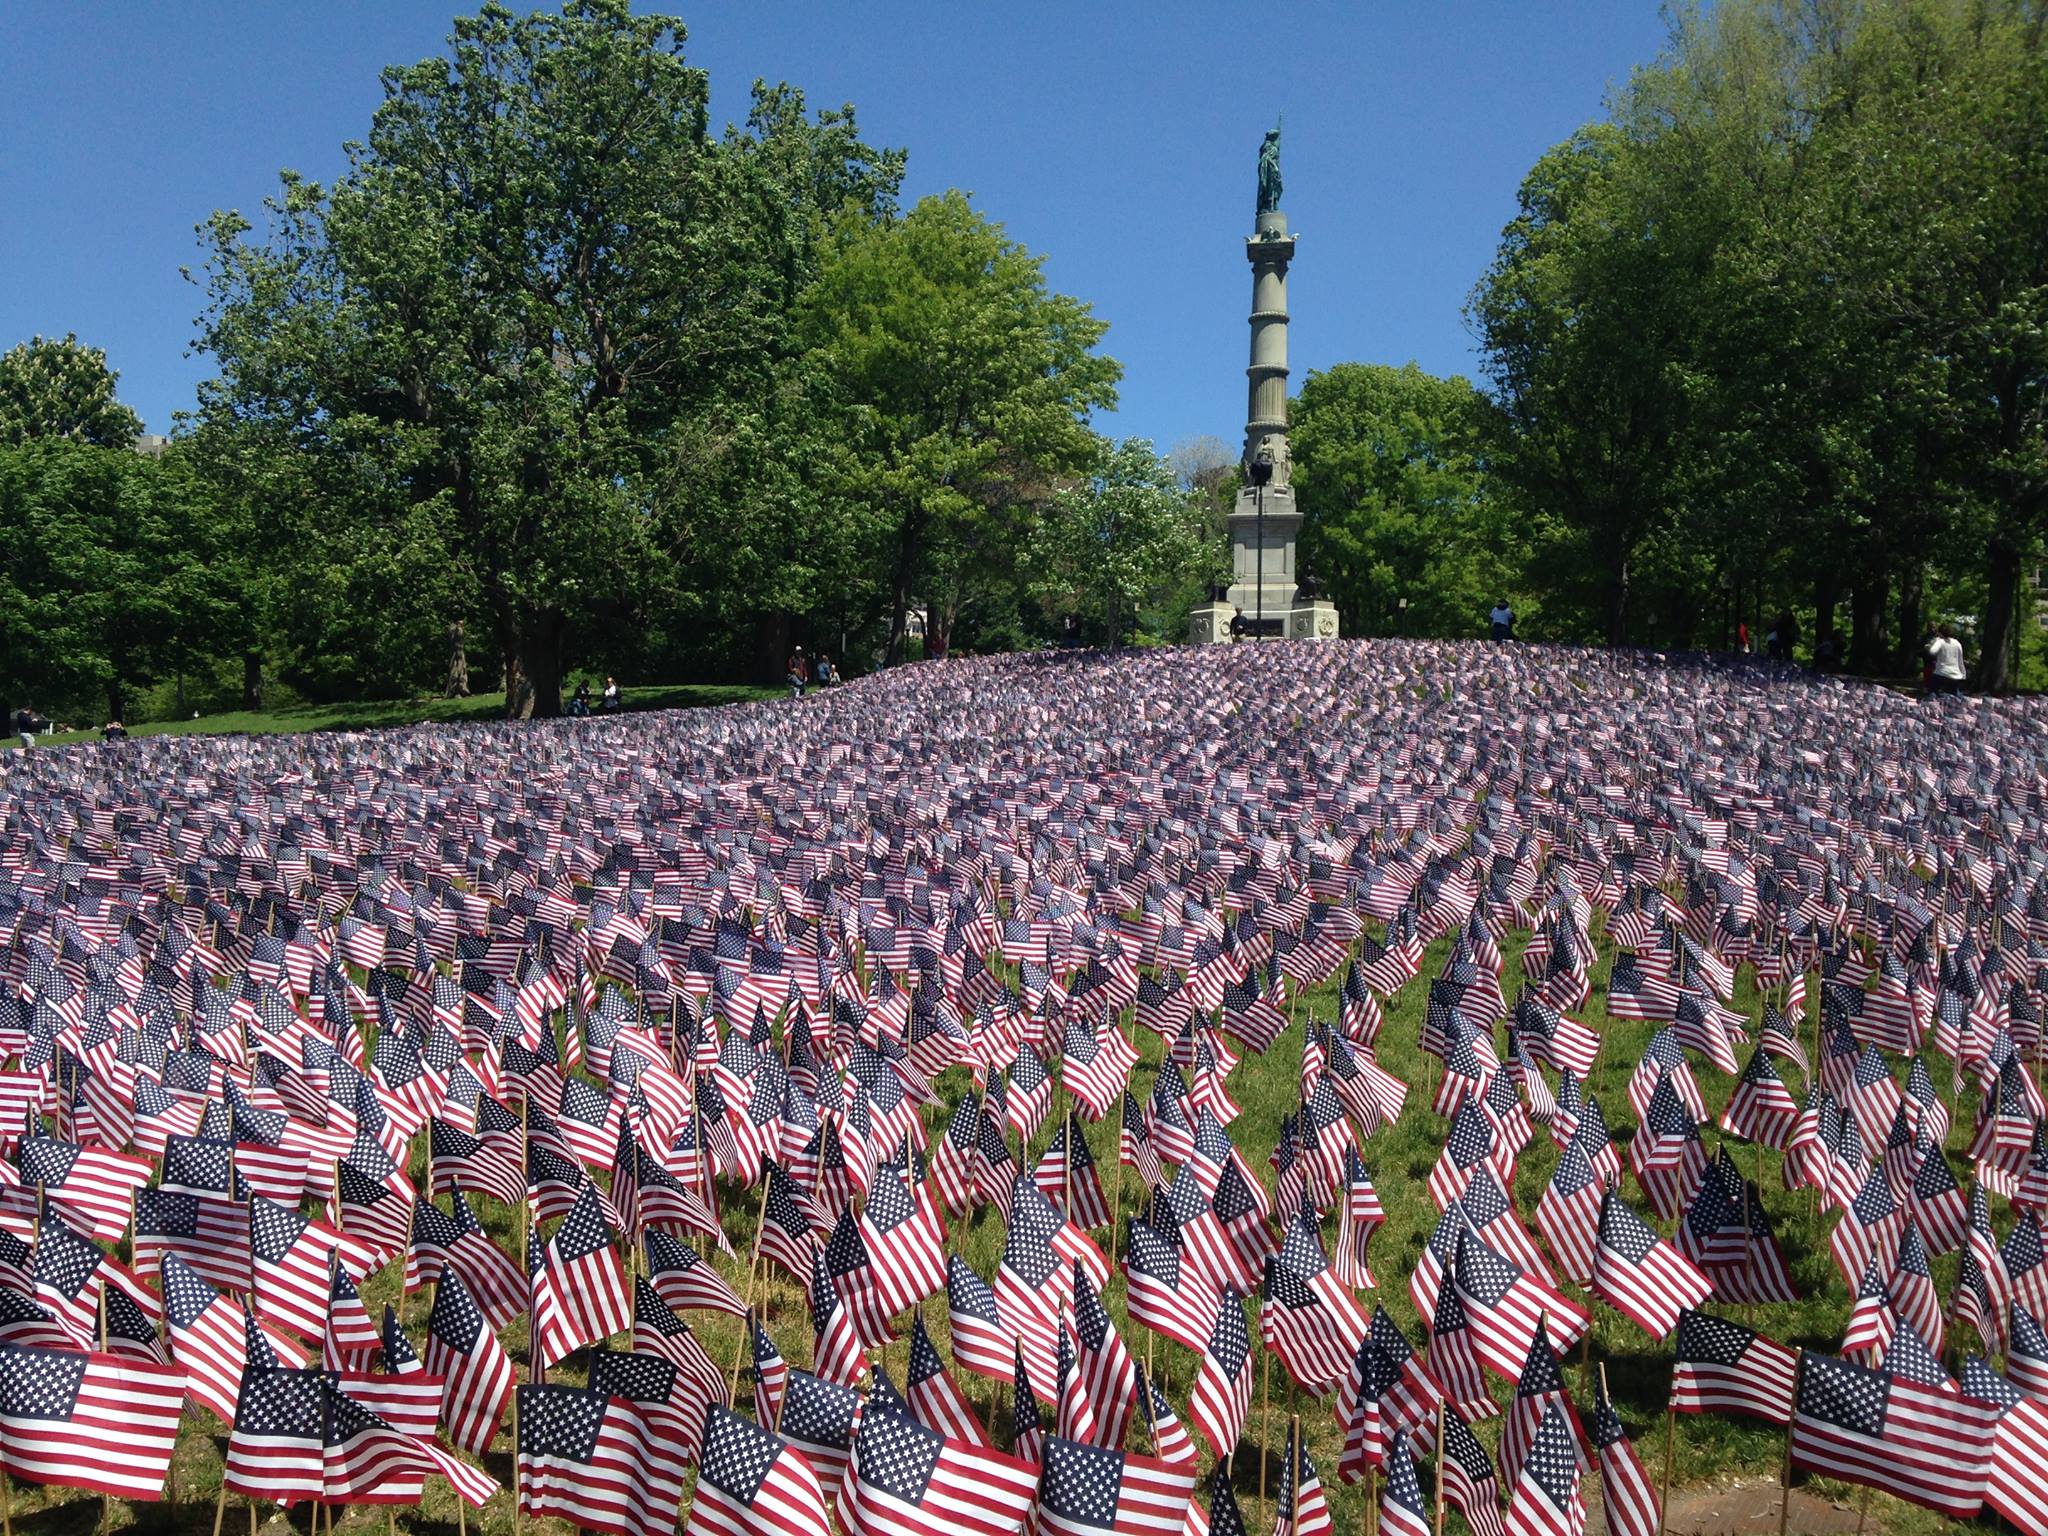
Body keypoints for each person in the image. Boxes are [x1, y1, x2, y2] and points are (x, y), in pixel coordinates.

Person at [1927, 623, 1966, 695]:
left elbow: (1932, 651)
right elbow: (1960, 660)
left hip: (1941, 673)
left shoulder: (1940, 642)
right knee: (1954, 694)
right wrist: (1963, 674)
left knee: (1933, 691)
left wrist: (1935, 641)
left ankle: (1932, 700)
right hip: (1955, 675)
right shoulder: (1957, 643)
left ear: (1940, 633)